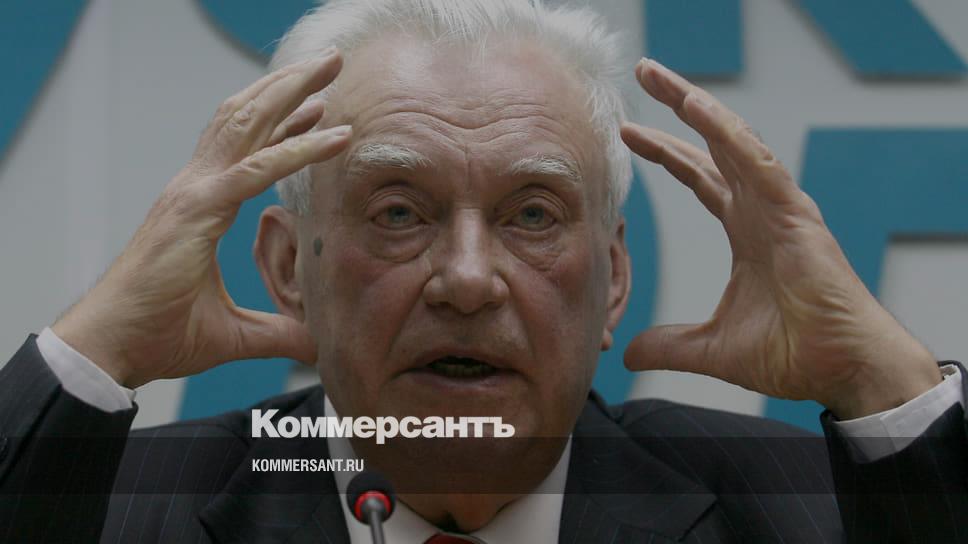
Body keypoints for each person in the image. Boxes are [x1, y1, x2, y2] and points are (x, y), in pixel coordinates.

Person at [1, 0, 966, 542]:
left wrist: (881, 380)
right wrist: (94, 351)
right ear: (290, 267)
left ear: (614, 280)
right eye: (398, 213)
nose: (467, 280)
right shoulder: (116, 506)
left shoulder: (807, 508)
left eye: (532, 215)